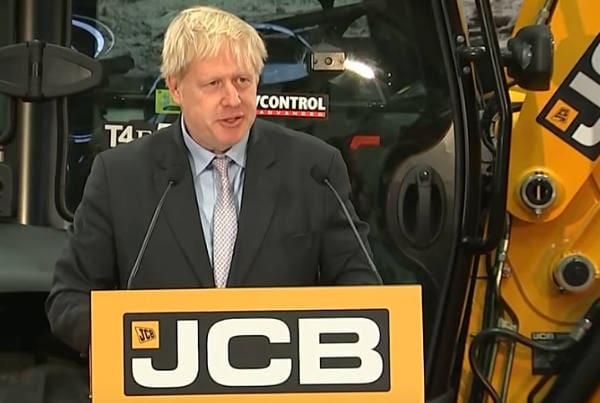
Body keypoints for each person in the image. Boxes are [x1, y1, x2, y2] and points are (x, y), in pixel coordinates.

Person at [45, 5, 381, 355]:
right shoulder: (119, 176)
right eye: (213, 84)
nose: (233, 99)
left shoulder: (315, 167)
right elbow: (69, 297)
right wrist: (125, 346)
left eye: (242, 80)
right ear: (175, 88)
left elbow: (360, 282)